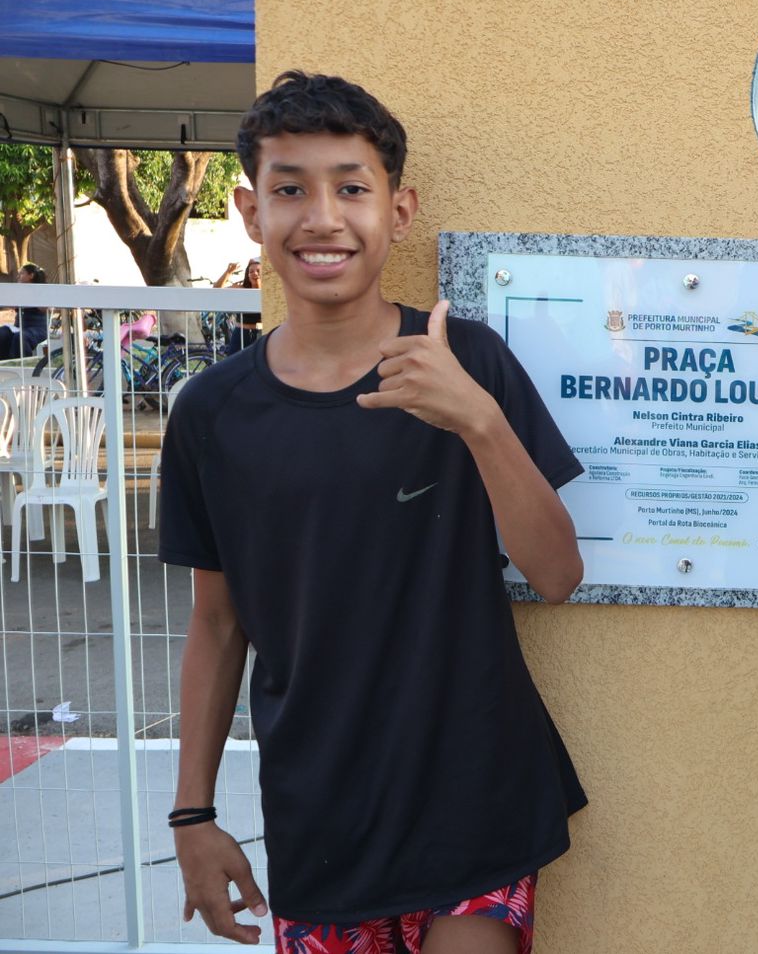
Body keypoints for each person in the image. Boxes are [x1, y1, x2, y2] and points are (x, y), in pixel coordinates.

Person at [162, 71, 586, 953]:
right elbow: (215, 622)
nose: (322, 217)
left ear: (399, 210)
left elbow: (556, 575)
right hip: (324, 815)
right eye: (290, 190)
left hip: (477, 795)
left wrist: (477, 420)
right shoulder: (213, 412)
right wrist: (191, 814)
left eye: (351, 188)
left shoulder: (464, 358)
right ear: (249, 212)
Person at [0, 262, 50, 359]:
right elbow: (11, 305)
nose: (18, 276)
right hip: (19, 327)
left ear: (31, 275)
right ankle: (3, 365)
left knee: (20, 338)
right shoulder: (19, 290)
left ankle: (20, 366)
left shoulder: (42, 290)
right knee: (2, 333)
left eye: (22, 273)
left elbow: (45, 309)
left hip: (38, 329)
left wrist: (31, 298)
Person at [214, 257, 264, 354]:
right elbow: (217, 289)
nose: (255, 273)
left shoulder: (269, 290)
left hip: (260, 335)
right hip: (241, 334)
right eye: (251, 271)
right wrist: (228, 272)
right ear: (248, 275)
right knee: (233, 366)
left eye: (258, 271)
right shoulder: (241, 288)